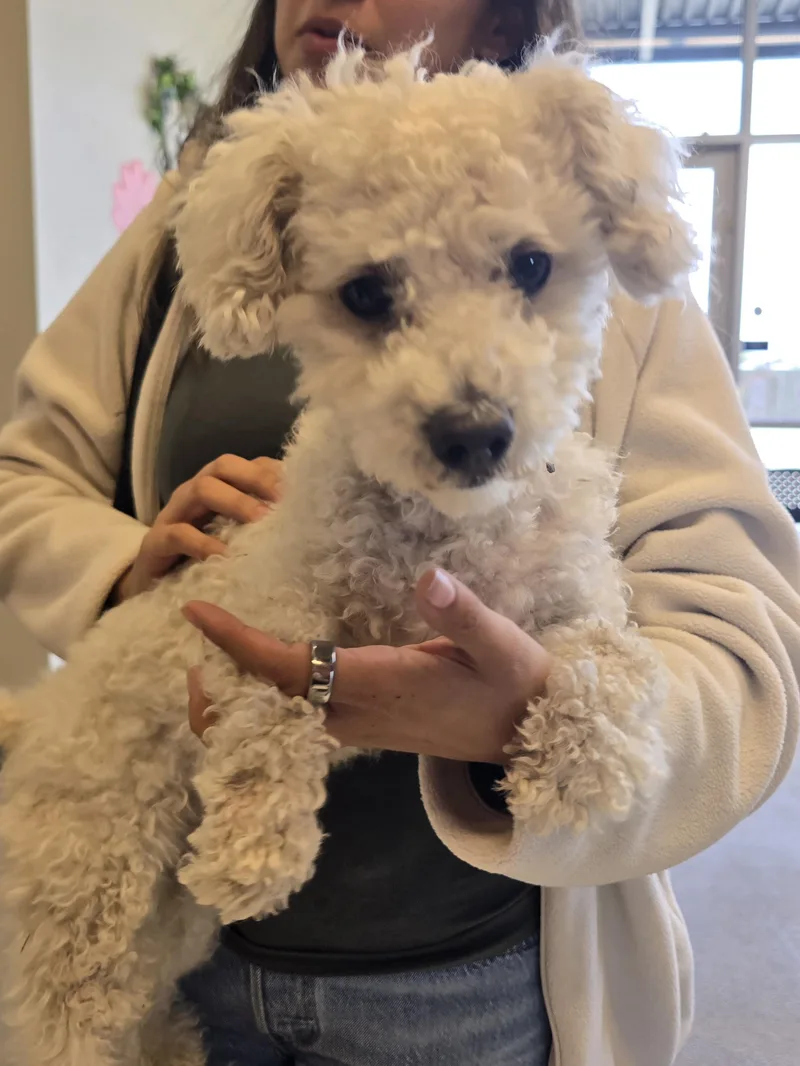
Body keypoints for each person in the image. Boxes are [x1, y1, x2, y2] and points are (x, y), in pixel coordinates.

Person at [1, 2, 799, 1064]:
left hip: (468, 976)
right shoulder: (199, 226)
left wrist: (532, 720)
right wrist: (119, 568)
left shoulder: (591, 229)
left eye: (523, 270)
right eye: (371, 295)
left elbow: (743, 643)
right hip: (194, 942)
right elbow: (26, 471)